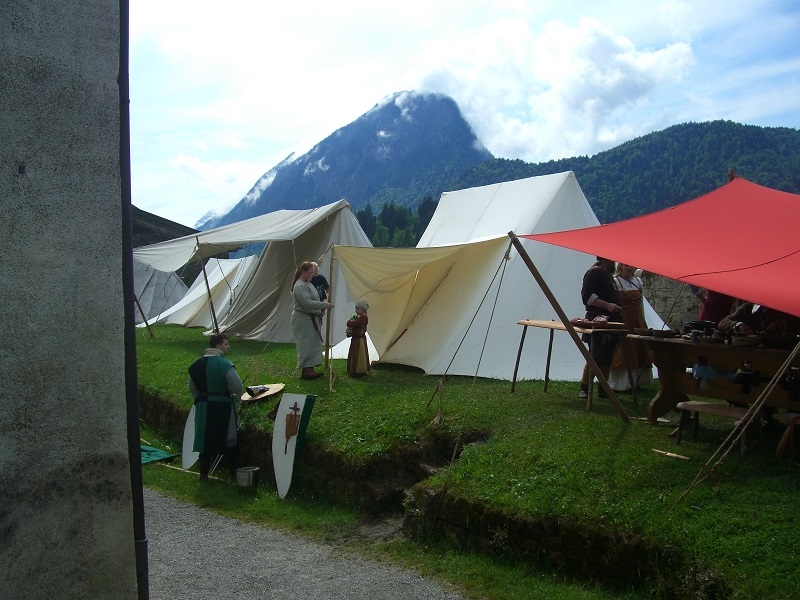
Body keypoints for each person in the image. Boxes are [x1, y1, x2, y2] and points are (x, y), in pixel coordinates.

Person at [187, 332, 242, 481]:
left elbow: (192, 388)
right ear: (218, 346)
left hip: (203, 406)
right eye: (226, 344)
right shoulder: (224, 364)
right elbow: (236, 387)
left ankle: (203, 475)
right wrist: (237, 400)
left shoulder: (196, 365)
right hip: (222, 405)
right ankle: (234, 476)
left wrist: (201, 398)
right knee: (228, 437)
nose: (228, 346)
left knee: (205, 439)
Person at [578, 257, 622, 399]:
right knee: (595, 356)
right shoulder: (593, 273)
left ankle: (603, 388)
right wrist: (608, 305)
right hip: (597, 320)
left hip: (611, 322)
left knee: (607, 357)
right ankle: (584, 387)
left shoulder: (609, 276)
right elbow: (587, 297)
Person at [608, 263, 653, 392]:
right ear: (621, 266)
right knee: (625, 351)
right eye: (626, 266)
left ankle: (638, 381)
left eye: (631, 266)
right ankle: (621, 384)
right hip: (624, 320)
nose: (629, 268)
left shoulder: (638, 281)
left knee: (639, 349)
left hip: (637, 320)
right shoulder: (616, 282)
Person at [291, 261, 333, 380]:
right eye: (310, 272)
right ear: (303, 272)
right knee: (306, 343)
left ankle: (310, 368)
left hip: (310, 317)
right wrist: (324, 305)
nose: (312, 275)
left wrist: (319, 310)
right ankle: (306, 370)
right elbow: (306, 303)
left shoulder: (307, 283)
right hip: (303, 318)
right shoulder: (299, 286)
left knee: (312, 342)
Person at [717, 302, 800, 335]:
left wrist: (783, 325)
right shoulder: (748, 308)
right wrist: (738, 325)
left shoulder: (785, 309)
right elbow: (722, 323)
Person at [346, 300, 370, 376]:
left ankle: (360, 370)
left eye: (358, 309)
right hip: (355, 338)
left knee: (359, 354)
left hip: (360, 339)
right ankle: (354, 369)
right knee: (354, 353)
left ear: (363, 310)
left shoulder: (364, 318)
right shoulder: (359, 317)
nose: (356, 311)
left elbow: (356, 323)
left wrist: (349, 322)